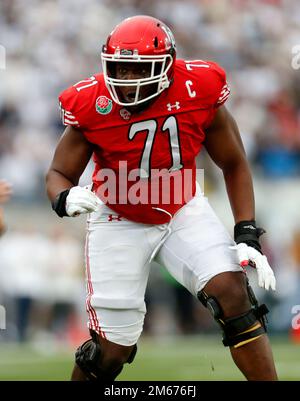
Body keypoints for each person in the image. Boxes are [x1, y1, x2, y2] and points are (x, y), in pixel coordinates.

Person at [46, 15, 277, 381]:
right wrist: (64, 197)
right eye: (120, 69)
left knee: (233, 293)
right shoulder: (93, 102)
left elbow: (233, 162)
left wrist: (246, 232)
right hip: (117, 215)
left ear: (167, 66)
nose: (127, 81)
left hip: (181, 206)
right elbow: (58, 173)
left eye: (138, 70)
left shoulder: (198, 87)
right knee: (111, 349)